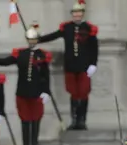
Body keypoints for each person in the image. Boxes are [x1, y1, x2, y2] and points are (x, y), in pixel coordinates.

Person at [36, 0, 99, 130]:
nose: (77, 15)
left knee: (83, 92)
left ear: (82, 14)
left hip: (84, 66)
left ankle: (82, 120)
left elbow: (94, 48)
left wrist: (93, 64)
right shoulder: (67, 28)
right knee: (73, 92)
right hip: (70, 65)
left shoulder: (89, 28)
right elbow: (54, 35)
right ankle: (74, 120)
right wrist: (38, 38)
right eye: (74, 13)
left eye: (79, 12)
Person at [0, 25, 53, 145]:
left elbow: (45, 75)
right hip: (23, 91)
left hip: (37, 92)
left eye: (34, 39)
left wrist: (46, 91)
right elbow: (6, 61)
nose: (32, 42)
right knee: (25, 119)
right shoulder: (21, 54)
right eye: (30, 39)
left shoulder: (42, 55)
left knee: (35, 118)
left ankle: (34, 144)